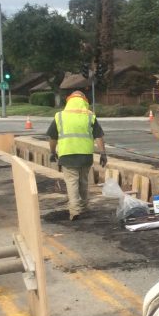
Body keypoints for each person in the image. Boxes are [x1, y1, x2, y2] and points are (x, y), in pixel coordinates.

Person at [47, 91, 106, 220]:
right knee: (83, 181)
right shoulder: (89, 116)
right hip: (85, 155)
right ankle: (84, 206)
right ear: (84, 101)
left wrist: (52, 152)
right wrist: (103, 153)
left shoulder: (60, 116)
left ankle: (74, 210)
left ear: (69, 101)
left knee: (72, 182)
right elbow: (98, 136)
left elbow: (52, 137)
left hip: (67, 155)